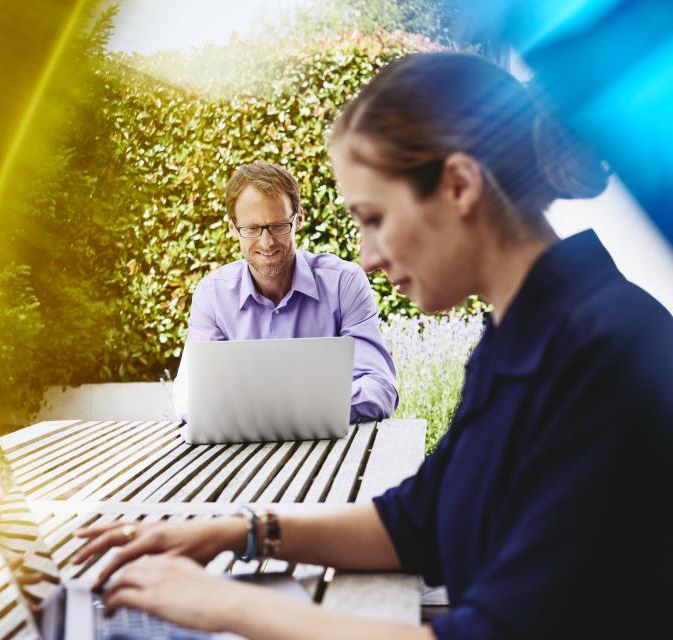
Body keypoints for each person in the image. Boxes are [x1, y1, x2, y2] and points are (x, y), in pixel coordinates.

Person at [73, 52, 673, 639]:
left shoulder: (605, 357)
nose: (367, 256)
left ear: (460, 185)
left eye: (374, 218)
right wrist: (240, 529)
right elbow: (418, 521)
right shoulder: (521, 336)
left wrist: (228, 605)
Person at [172, 161, 398, 423]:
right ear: (233, 228)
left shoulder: (343, 284)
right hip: (242, 455)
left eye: (278, 225)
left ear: (298, 220)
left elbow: (380, 388)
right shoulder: (212, 296)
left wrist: (290, 411)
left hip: (330, 452)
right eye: (252, 228)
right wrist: (308, 406)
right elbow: (189, 397)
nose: (266, 242)